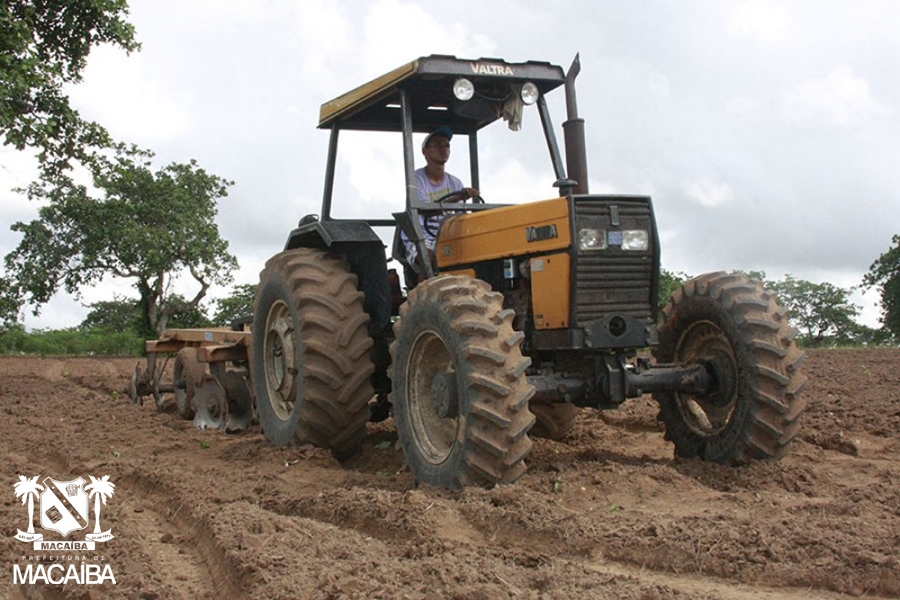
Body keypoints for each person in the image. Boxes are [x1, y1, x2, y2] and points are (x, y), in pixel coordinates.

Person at [400, 126, 478, 277]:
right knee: (428, 258)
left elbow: (460, 218)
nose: (444, 149)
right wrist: (459, 197)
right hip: (422, 237)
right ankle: (424, 295)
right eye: (437, 145)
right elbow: (424, 209)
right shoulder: (415, 179)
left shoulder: (455, 182)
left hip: (447, 237)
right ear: (425, 152)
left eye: (446, 145)